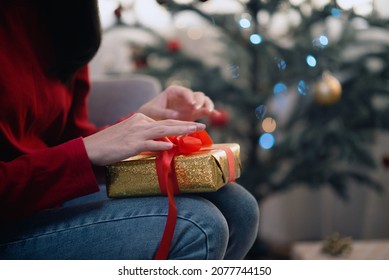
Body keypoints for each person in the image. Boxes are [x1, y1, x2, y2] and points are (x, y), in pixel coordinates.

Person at [0, 0, 259, 259]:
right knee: (199, 224)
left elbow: (67, 140)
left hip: (44, 197)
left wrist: (141, 120)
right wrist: (85, 152)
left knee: (239, 208)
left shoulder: (64, 16)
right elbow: (79, 153)